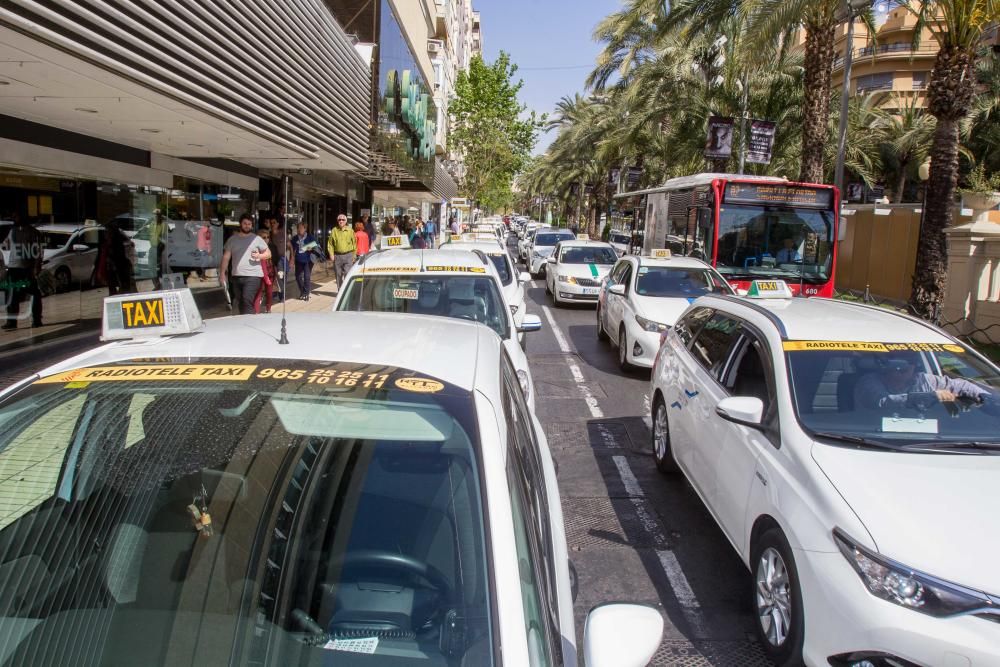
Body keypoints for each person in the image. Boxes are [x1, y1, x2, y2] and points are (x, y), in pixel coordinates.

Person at [854, 355, 991, 410]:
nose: (898, 373)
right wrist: (933, 396)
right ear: (884, 367)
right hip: (871, 434)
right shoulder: (868, 382)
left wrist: (987, 398)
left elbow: (961, 386)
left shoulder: (923, 379)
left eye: (904, 369)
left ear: (914, 369)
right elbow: (882, 402)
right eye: (894, 368)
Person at [219, 213, 270, 315]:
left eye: (249, 224)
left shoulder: (257, 239)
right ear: (240, 224)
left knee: (247, 300)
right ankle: (245, 323)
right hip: (237, 276)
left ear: (252, 226)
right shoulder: (232, 239)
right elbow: (226, 257)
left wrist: (259, 256)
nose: (247, 226)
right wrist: (222, 274)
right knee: (241, 302)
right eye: (245, 223)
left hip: (253, 276)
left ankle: (250, 324)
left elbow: (268, 253)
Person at [1, 213, 43, 329]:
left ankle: (36, 319)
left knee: (34, 293)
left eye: (16, 216)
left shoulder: (33, 232)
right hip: (14, 267)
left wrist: (36, 267)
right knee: (13, 295)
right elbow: (6, 245)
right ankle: (12, 321)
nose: (14, 219)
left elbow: (38, 251)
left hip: (26, 268)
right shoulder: (12, 231)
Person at [327, 214, 357, 288]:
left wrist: (354, 255)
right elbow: (330, 243)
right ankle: (340, 291)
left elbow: (355, 244)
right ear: (337, 221)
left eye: (343, 220)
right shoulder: (334, 230)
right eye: (339, 220)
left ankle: (347, 291)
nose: (341, 221)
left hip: (348, 255)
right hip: (337, 256)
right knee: (338, 275)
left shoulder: (350, 230)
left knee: (347, 273)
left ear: (346, 221)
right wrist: (331, 254)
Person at [290, 222, 317, 301]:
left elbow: (316, 245)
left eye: (301, 228)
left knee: (306, 277)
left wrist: (309, 247)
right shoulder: (295, 238)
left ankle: (306, 294)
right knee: (298, 277)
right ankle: (303, 291)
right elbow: (291, 247)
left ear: (305, 229)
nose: (299, 229)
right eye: (298, 228)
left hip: (308, 260)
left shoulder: (310, 236)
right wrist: (291, 259)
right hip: (298, 260)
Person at [253, 229, 276, 313]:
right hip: (260, 274)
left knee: (269, 293)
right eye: (264, 237)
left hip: (270, 273)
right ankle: (256, 312)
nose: (266, 239)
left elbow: (275, 260)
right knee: (258, 294)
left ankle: (268, 309)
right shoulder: (256, 248)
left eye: (268, 237)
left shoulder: (271, 247)